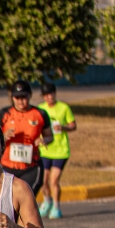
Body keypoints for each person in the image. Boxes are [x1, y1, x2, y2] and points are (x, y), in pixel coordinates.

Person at [0, 81, 53, 228]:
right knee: (8, 209)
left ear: (30, 96)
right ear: (12, 97)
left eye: (24, 97)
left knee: (22, 209)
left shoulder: (39, 114)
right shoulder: (4, 114)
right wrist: (4, 136)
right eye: (17, 97)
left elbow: (49, 136)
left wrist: (44, 141)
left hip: (31, 167)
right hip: (7, 167)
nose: (21, 101)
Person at [37, 81, 76, 220]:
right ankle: (47, 201)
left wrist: (63, 128)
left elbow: (73, 125)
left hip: (60, 150)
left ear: (55, 93)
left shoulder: (64, 108)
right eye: (46, 95)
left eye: (51, 94)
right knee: (43, 180)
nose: (49, 97)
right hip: (45, 150)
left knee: (54, 180)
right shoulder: (40, 109)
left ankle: (56, 207)